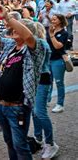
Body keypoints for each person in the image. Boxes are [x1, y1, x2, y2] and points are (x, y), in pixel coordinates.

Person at [0, 6, 46, 160]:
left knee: (20, 145)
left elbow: (29, 37)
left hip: (18, 108)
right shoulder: (10, 45)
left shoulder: (35, 49)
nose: (12, 29)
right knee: (9, 142)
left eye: (18, 27)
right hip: (2, 105)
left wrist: (8, 18)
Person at [32, 23, 60, 159]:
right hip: (34, 80)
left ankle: (50, 143)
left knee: (40, 112)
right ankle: (38, 138)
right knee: (34, 111)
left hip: (42, 79)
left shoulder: (41, 43)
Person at [47, 14, 68, 113]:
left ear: (60, 21)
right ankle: (47, 100)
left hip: (58, 60)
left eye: (55, 19)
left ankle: (60, 104)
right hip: (48, 60)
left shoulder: (64, 33)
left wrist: (51, 35)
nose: (52, 20)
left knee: (59, 83)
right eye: (52, 19)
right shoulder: (51, 30)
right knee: (47, 81)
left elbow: (58, 46)